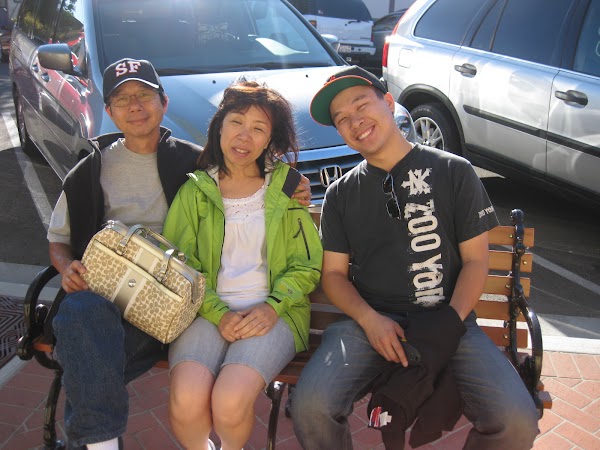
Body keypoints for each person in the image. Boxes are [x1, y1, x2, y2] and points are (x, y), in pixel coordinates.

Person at [47, 59, 311, 450]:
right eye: (123, 99)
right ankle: (101, 443)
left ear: (164, 103)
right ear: (109, 111)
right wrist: (67, 266)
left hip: (165, 306)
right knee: (82, 318)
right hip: (107, 299)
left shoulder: (193, 163)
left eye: (144, 95)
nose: (135, 106)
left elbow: (249, 163)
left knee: (87, 355)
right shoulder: (88, 172)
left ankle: (91, 442)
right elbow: (58, 239)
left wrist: (293, 184)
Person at [291, 65, 539, 449]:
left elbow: (476, 261)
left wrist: (448, 323)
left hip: (449, 320)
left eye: (362, 105)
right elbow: (334, 275)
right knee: (310, 406)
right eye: (342, 119)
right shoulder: (341, 194)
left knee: (517, 421)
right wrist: (370, 320)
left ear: (389, 103)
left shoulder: (453, 171)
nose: (355, 122)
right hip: (369, 325)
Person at [161, 81, 323, 450]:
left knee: (230, 401)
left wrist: (272, 307)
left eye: (258, 128)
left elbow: (306, 265)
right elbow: (180, 266)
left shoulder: (287, 188)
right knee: (186, 399)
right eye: (236, 122)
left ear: (269, 140)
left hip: (275, 314)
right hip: (205, 311)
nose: (244, 137)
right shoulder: (195, 191)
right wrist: (219, 314)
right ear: (219, 126)